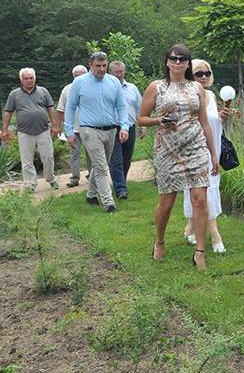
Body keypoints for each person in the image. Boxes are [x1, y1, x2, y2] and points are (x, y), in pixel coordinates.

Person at [137, 44, 219, 271]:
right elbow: (141, 118)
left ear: (188, 63)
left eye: (183, 59)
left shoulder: (197, 88)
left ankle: (200, 252)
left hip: (196, 147)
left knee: (200, 200)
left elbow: (204, 122)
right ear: (167, 61)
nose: (178, 62)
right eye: (174, 58)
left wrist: (213, 154)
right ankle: (160, 240)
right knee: (166, 202)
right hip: (167, 149)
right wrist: (157, 121)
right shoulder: (157, 87)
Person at [65, 52, 130, 213]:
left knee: (100, 164)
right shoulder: (79, 83)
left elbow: (121, 106)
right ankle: (109, 203)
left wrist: (124, 127)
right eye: (97, 66)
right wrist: (69, 131)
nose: (101, 69)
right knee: (101, 167)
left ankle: (91, 194)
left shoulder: (113, 82)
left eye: (104, 66)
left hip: (110, 130)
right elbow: (70, 107)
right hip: (89, 129)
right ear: (90, 65)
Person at [182, 59, 229, 253]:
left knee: (211, 189)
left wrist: (221, 117)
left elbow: (212, 124)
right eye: (198, 74)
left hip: (211, 151)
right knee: (197, 191)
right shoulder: (185, 95)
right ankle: (214, 232)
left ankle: (191, 226)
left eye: (206, 74)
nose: (203, 77)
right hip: (192, 151)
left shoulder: (210, 94)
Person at [2, 68, 58, 191]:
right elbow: (8, 112)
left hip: (43, 129)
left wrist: (55, 125)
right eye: (26, 78)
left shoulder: (43, 91)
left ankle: (51, 179)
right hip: (24, 132)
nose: (29, 80)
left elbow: (51, 108)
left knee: (48, 157)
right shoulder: (14, 94)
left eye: (31, 78)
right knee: (27, 160)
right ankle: (30, 184)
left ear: (35, 78)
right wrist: (4, 129)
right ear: (21, 80)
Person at [107, 61, 145, 200]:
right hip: (112, 128)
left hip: (129, 127)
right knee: (116, 159)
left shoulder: (132, 88)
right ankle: (121, 189)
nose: (119, 75)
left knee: (127, 158)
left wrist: (143, 126)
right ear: (110, 73)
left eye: (121, 71)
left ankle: (121, 180)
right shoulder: (106, 88)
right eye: (116, 72)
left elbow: (139, 108)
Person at [56, 65, 90, 188]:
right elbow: (60, 109)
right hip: (73, 129)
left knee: (91, 154)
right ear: (73, 76)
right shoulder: (67, 89)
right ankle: (74, 178)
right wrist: (58, 126)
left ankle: (92, 176)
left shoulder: (92, 88)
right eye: (76, 75)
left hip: (89, 128)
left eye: (81, 75)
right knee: (74, 155)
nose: (79, 77)